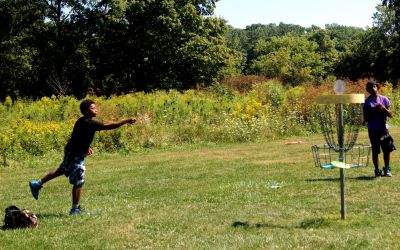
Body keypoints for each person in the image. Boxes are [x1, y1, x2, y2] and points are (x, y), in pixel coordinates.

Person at [29, 99, 136, 215]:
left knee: (62, 170)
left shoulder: (81, 121)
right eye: (92, 108)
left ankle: (37, 184)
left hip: (72, 151)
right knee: (79, 178)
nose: (96, 109)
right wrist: (126, 121)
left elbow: (78, 137)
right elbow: (107, 126)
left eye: (95, 107)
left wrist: (86, 147)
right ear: (85, 111)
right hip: (75, 154)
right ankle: (75, 209)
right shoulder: (89, 123)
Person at [363, 80, 394, 177]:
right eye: (370, 87)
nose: (373, 88)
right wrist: (375, 110)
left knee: (387, 149)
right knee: (375, 151)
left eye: (374, 86)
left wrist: (383, 108)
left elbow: (390, 115)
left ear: (378, 87)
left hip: (384, 129)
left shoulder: (384, 99)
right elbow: (366, 119)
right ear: (368, 90)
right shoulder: (367, 102)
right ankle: (377, 170)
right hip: (373, 130)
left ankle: (387, 169)